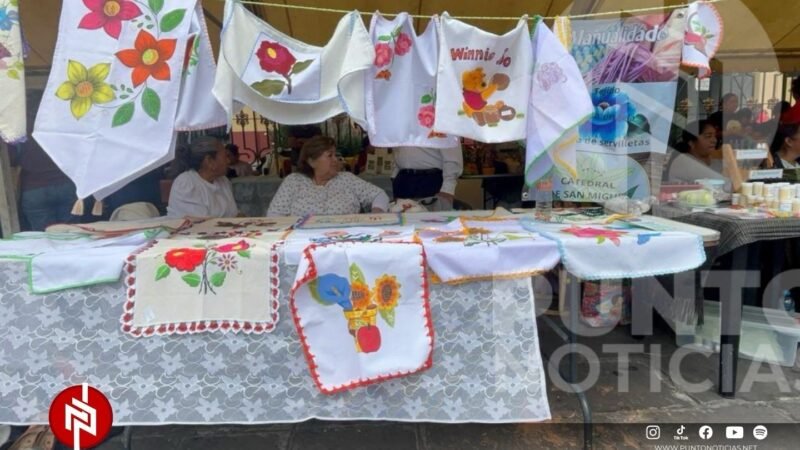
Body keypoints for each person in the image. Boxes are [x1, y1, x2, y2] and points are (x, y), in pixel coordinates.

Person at [267, 136, 389, 216]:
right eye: (330, 156)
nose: (336, 160)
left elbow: (379, 195)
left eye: (335, 155)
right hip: (303, 243)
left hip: (343, 241)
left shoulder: (347, 179)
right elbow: (274, 215)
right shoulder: (293, 181)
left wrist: (376, 215)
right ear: (312, 161)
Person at [13, 90, 78, 231]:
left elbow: (11, 158)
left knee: (44, 238)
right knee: (71, 233)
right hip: (66, 183)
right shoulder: (62, 121)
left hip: (34, 189)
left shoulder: (17, 126)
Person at [166, 136, 239, 218]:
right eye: (226, 156)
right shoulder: (187, 183)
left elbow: (234, 215)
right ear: (210, 161)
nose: (228, 161)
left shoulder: (223, 181)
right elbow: (200, 225)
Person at [391, 144, 463, 211]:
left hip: (430, 179)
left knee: (433, 220)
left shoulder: (444, 129)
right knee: (401, 218)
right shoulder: (401, 130)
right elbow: (397, 152)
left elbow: (452, 159)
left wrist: (448, 189)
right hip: (403, 179)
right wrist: (394, 178)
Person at [665, 120, 727, 186]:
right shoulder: (684, 161)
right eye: (708, 136)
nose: (714, 140)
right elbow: (726, 183)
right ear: (691, 142)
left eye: (715, 136)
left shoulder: (715, 161)